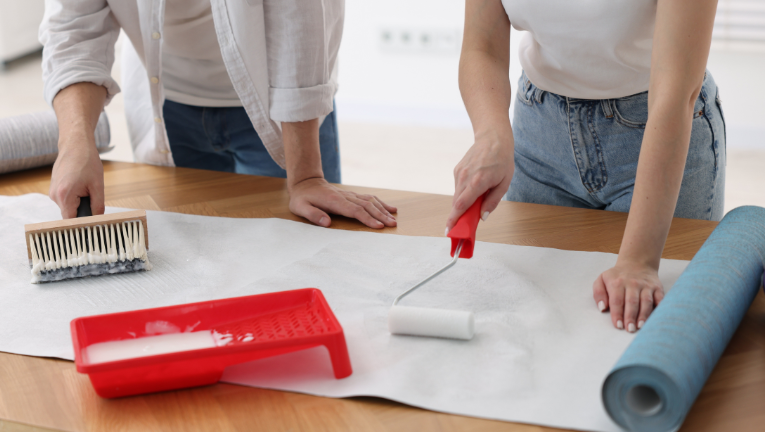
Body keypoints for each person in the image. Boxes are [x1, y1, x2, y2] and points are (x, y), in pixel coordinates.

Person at [450, 0, 724, 332]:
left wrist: (638, 261)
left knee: (657, 327)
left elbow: (675, 93)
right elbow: (483, 46)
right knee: (537, 312)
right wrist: (491, 134)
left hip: (657, 130)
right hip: (540, 134)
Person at [40, 0, 397, 230]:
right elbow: (74, 28)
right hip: (169, 104)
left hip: (282, 110)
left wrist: (306, 176)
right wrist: (75, 144)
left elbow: (297, 16)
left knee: (307, 246)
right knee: (194, 252)